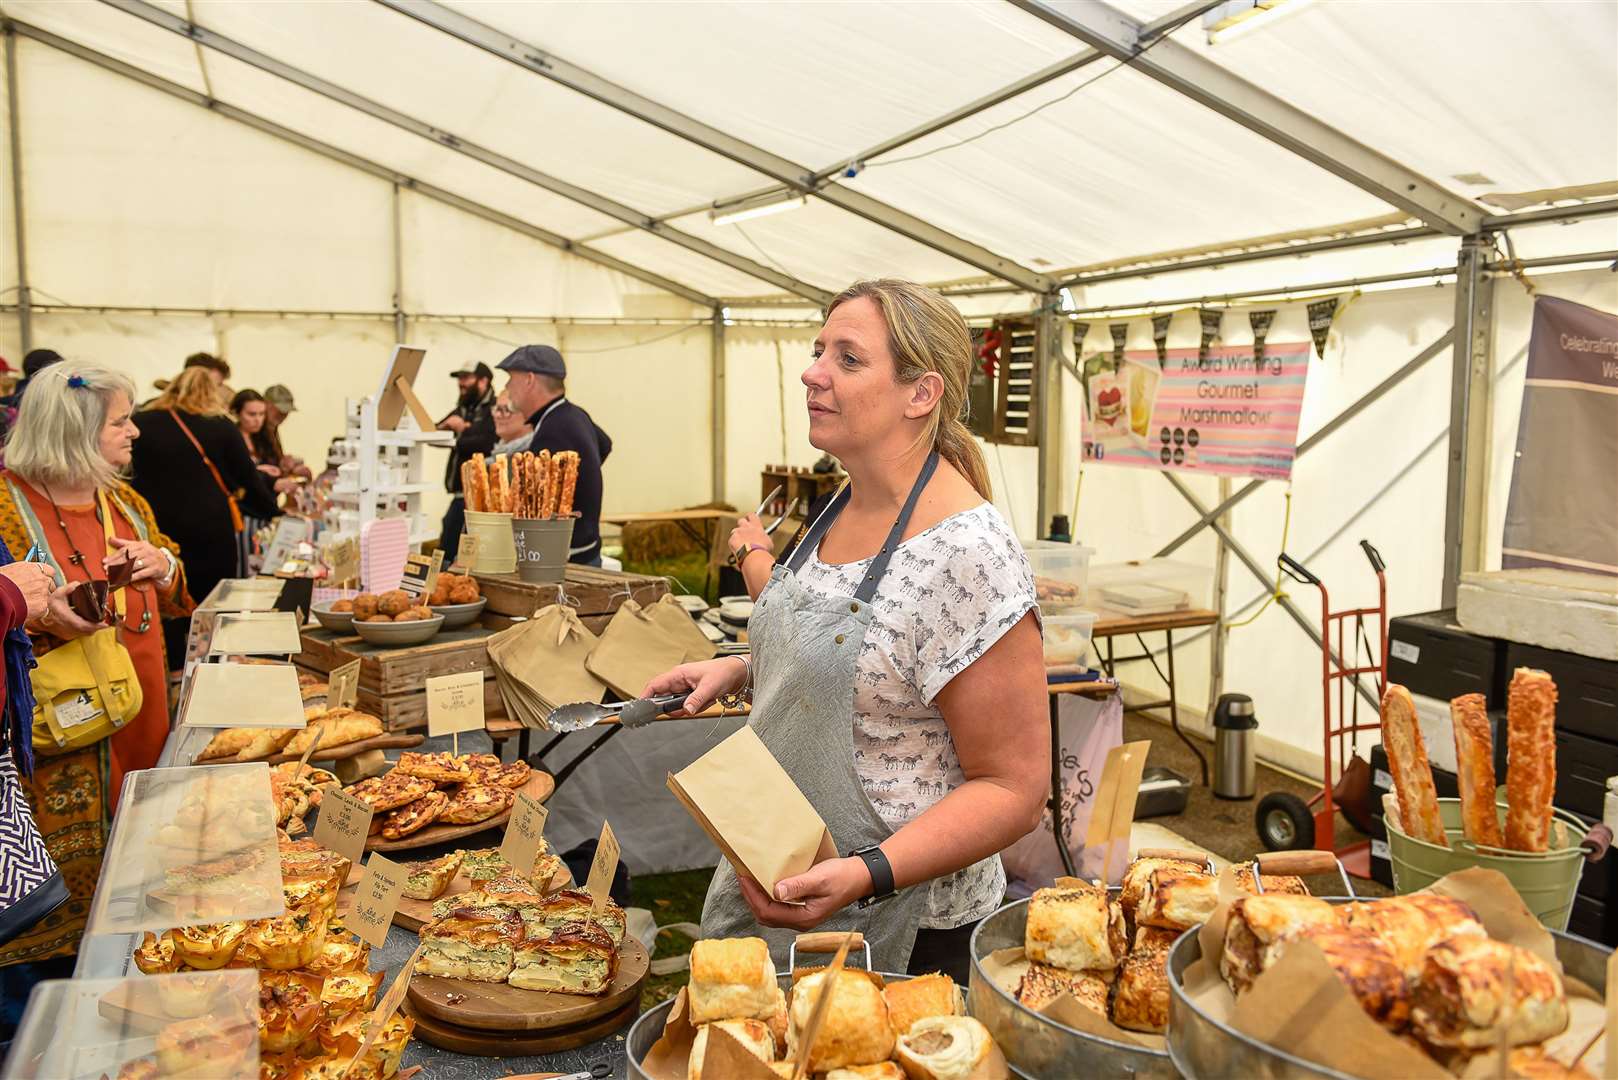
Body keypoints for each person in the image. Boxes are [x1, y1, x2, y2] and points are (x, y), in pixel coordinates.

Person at [646, 280, 1048, 981]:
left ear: (920, 394)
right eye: (817, 351)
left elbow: (1014, 787)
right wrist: (746, 665)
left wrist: (866, 874)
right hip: (786, 885)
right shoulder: (840, 504)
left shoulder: (966, 555)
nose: (812, 372)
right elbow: (873, 660)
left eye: (848, 358)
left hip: (904, 934)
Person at [0, 363, 192, 976]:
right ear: (72, 430)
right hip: (57, 751)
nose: (134, 432)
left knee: (143, 892)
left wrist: (161, 564)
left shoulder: (125, 502)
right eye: (120, 421)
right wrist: (36, 616)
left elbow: (178, 588)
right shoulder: (3, 506)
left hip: (142, 727)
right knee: (55, 942)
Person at [129, 368, 285, 666]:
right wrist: (273, 511)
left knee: (169, 594)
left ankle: (176, 667)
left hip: (158, 527)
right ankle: (212, 664)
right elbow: (247, 479)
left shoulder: (142, 424)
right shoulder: (220, 426)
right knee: (213, 600)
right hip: (211, 530)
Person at [498, 345, 612, 566]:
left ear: (529, 379)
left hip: (567, 559)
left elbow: (536, 502)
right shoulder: (573, 414)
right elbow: (605, 444)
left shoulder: (554, 430)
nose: (507, 387)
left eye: (511, 379)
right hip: (585, 548)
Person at [435, 363, 497, 563]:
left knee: (464, 553)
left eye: (466, 378)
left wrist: (463, 430)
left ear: (483, 381)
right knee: (449, 547)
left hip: (482, 498)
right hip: (460, 494)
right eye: (459, 378)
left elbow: (488, 441)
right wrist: (443, 429)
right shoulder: (462, 408)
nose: (461, 383)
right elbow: (433, 431)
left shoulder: (495, 409)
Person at [230, 389, 286, 574]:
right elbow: (236, 478)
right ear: (237, 413)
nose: (257, 420)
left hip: (264, 512)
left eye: (261, 414)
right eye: (251, 414)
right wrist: (259, 473)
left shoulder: (264, 438)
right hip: (244, 514)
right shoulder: (231, 440)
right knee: (245, 565)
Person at [490, 390, 532, 457]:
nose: (497, 415)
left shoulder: (531, 457)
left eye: (507, 409)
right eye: (497, 409)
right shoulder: (500, 453)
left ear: (529, 415)